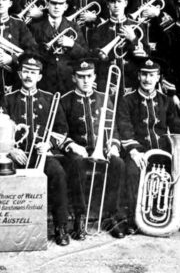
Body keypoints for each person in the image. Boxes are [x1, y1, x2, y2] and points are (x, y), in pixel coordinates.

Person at [1, 53, 70, 246]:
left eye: (34, 72)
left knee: (58, 173)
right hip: (16, 155)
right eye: (26, 71)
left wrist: (48, 144)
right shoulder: (8, 99)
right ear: (20, 74)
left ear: (40, 76)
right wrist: (11, 149)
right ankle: (7, 229)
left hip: (41, 156)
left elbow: (62, 129)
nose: (29, 76)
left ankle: (60, 227)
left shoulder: (50, 99)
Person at [54, 59, 127, 240]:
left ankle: (111, 216)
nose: (85, 80)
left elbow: (114, 129)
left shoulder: (103, 98)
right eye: (81, 77)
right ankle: (80, 218)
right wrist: (72, 145)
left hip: (102, 151)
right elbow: (60, 132)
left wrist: (114, 146)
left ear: (94, 76)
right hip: (78, 152)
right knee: (77, 164)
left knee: (118, 164)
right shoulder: (65, 100)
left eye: (89, 76)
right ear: (73, 78)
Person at [117, 57, 180, 235]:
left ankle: (173, 218)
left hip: (163, 152)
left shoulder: (166, 101)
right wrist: (134, 151)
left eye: (152, 75)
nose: (148, 79)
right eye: (144, 75)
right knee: (132, 171)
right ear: (139, 76)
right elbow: (124, 127)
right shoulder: (127, 99)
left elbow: (177, 128)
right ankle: (133, 220)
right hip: (138, 151)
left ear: (158, 78)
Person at [89, 0, 148, 95]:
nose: (116, 5)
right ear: (107, 4)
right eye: (112, 2)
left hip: (132, 83)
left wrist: (133, 39)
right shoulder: (100, 28)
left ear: (125, 3)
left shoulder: (137, 27)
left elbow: (146, 55)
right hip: (107, 85)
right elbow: (94, 55)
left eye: (119, 1)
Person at [29, 0, 88, 94]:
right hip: (44, 81)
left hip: (68, 81)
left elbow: (85, 54)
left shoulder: (74, 27)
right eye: (53, 3)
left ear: (65, 6)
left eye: (60, 4)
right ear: (47, 4)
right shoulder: (35, 27)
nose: (56, 7)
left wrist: (72, 45)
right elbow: (31, 53)